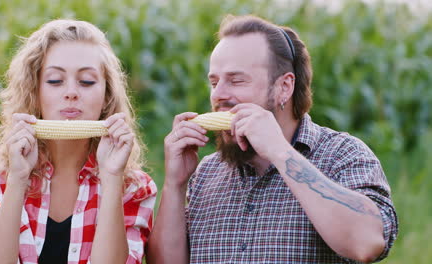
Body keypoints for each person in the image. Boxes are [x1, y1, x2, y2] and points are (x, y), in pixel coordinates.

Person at [147, 15, 398, 263]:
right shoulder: (207, 173)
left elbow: (367, 244)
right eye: (214, 82)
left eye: (236, 80)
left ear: (284, 87)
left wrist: (279, 151)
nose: (219, 95)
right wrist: (175, 184)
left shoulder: (342, 154)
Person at [0, 19, 156, 264]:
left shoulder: (134, 188)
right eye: (55, 81)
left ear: (107, 95)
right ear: (34, 91)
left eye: (86, 81)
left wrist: (111, 179)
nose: (71, 92)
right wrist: (17, 180)